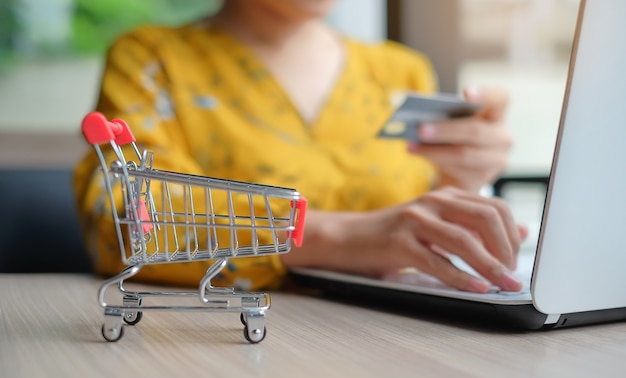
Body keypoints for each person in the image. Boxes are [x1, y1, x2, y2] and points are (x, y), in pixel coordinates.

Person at [74, 0, 526, 294]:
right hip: (224, 352)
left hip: (396, 343)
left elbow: (416, 230)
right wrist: (344, 237)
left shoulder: (401, 71)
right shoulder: (153, 59)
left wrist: (465, 182)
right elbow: (125, 222)